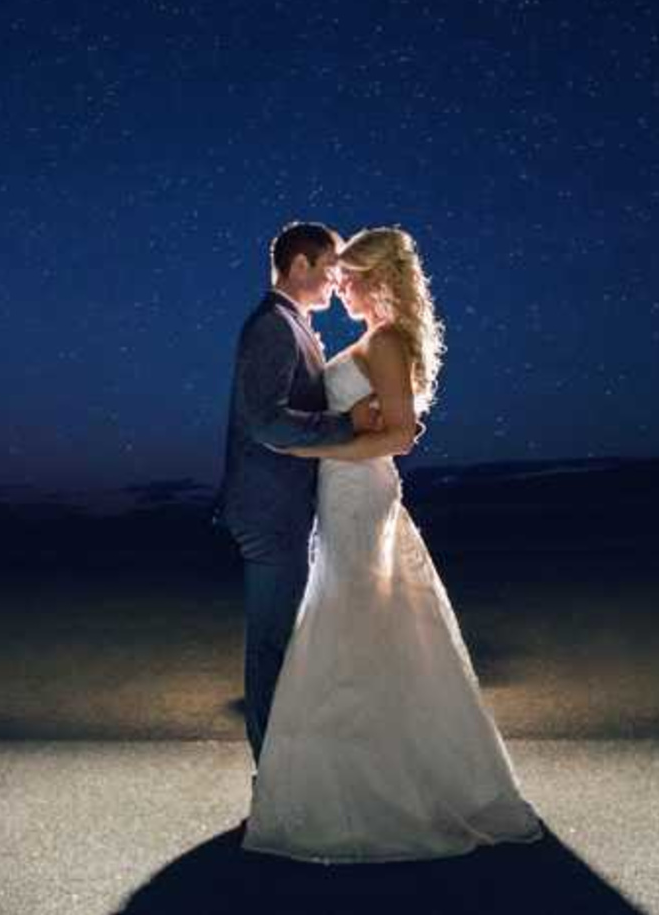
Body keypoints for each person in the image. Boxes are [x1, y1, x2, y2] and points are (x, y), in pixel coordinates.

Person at [241, 226, 544, 863]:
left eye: (349, 278)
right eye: (336, 274)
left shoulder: (386, 341)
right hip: (340, 491)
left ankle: (364, 787)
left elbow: (400, 435)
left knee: (355, 627)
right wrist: (330, 439)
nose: (339, 286)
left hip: (358, 492)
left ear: (377, 280)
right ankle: (352, 773)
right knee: (359, 627)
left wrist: (315, 450)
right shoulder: (367, 338)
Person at [211, 222, 410, 787]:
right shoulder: (273, 326)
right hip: (270, 509)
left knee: (286, 641)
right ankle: (274, 777)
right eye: (329, 269)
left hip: (289, 505)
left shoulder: (294, 326)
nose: (335, 280)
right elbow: (266, 422)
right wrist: (347, 424)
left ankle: (292, 765)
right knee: (272, 644)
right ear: (300, 265)